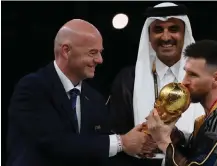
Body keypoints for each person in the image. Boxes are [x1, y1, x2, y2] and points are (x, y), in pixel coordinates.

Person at [6, 19, 149, 166]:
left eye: (100, 53)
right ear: (66, 51)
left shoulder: (94, 99)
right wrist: (122, 142)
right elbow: (55, 143)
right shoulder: (32, 88)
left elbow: (98, 151)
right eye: (93, 52)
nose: (100, 60)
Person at [108, 2, 205, 166]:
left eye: (173, 29)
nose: (166, 37)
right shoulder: (127, 79)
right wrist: (128, 142)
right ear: (149, 36)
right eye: (158, 30)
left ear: (184, 33)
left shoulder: (203, 80)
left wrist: (176, 138)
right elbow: (112, 135)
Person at [146, 40, 217, 166]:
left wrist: (163, 141)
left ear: (216, 79)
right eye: (186, 72)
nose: (184, 81)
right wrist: (176, 137)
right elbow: (198, 152)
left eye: (193, 75)